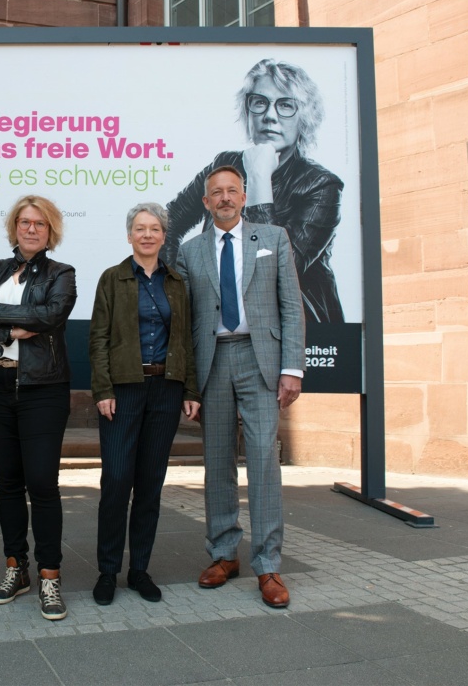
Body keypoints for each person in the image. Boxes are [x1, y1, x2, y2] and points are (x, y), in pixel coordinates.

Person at [175, 165, 304, 610]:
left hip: (260, 359)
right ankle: (223, 554)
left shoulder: (273, 239)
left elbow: (291, 306)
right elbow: (185, 322)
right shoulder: (189, 251)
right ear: (206, 202)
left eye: (232, 191)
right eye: (216, 193)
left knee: (264, 461)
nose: (225, 198)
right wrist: (189, 383)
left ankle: (267, 563)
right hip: (212, 361)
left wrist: (293, 368)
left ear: (244, 197)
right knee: (217, 462)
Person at [0, 195, 76, 621]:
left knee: (43, 483)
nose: (31, 229)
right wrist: (9, 330)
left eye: (40, 224)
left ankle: (50, 575)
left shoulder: (62, 273)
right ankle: (16, 569)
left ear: (51, 231)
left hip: (42, 388)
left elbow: (50, 315)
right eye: (25, 222)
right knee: (8, 483)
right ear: (14, 227)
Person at [163, 58, 344, 324]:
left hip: (295, 324)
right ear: (248, 111)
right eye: (260, 102)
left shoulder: (321, 184)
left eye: (285, 105)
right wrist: (179, 287)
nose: (270, 115)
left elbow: (277, 269)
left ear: (304, 117)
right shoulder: (225, 163)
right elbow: (170, 220)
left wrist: (259, 177)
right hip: (217, 316)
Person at [88, 202, 201, 606]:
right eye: (140, 228)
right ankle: (107, 571)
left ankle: (139, 571)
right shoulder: (112, 279)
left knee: (150, 485)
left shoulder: (176, 283)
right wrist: (102, 390)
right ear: (129, 234)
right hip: (124, 391)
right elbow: (98, 338)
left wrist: (190, 391)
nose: (148, 235)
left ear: (164, 236)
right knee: (117, 482)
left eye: (155, 228)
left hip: (165, 391)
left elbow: (185, 339)